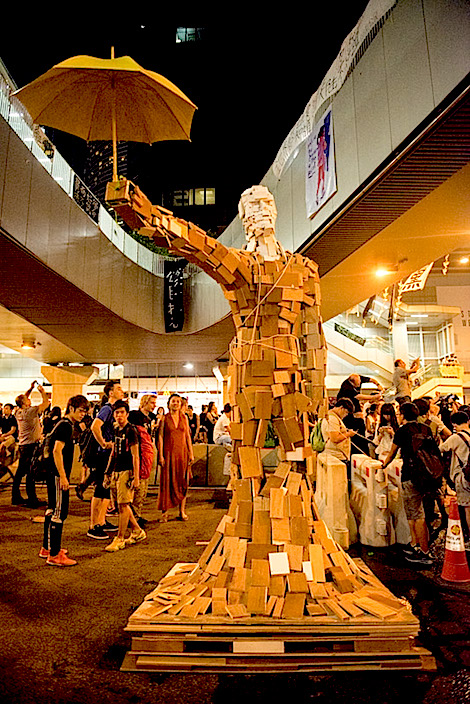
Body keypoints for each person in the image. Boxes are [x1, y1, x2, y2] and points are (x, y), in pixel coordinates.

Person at [381, 402, 437, 567]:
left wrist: (383, 465)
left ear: (403, 415)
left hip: (411, 476)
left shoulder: (402, 431)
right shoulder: (425, 428)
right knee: (416, 514)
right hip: (428, 476)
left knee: (417, 516)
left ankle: (425, 552)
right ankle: (414, 545)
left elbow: (392, 454)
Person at [40, 395, 89, 566]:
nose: (83, 414)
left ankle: (47, 548)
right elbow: (56, 451)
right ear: (72, 408)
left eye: (85, 411)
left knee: (51, 509)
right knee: (59, 513)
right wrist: (63, 476)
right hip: (57, 474)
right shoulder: (66, 427)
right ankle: (54, 554)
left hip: (51, 473)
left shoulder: (61, 424)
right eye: (81, 410)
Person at [104, 400, 146, 552]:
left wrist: (136, 477)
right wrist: (108, 472)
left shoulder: (131, 430)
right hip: (117, 470)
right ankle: (136, 531)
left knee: (123, 505)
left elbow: (136, 455)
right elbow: (114, 452)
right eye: (117, 413)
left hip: (127, 471)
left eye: (122, 412)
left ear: (127, 414)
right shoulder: (117, 430)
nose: (119, 415)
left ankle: (120, 538)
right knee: (123, 504)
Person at [86, 380, 124, 540]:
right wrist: (103, 443)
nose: (122, 391)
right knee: (100, 489)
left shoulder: (112, 409)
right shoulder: (107, 409)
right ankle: (93, 525)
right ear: (111, 393)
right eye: (119, 389)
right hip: (103, 454)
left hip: (108, 454)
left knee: (106, 488)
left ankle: (101, 521)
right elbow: (95, 426)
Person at [158, 394, 194, 522]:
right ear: (169, 403)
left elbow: (188, 436)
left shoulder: (184, 418)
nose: (176, 403)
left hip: (182, 454)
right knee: (167, 483)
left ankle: (182, 511)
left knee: (183, 482)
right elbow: (161, 437)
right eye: (173, 401)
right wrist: (161, 455)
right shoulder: (164, 419)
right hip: (168, 454)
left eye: (178, 401)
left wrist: (191, 452)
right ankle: (165, 513)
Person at [13, 381, 49, 507]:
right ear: (25, 403)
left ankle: (15, 496)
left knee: (20, 472)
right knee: (31, 472)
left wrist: (30, 389)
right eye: (28, 399)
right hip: (31, 446)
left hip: (23, 445)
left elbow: (22, 399)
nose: (30, 400)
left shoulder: (18, 412)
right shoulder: (30, 412)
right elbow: (46, 404)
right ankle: (32, 499)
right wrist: (42, 392)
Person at [439, 411, 470, 545]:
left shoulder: (456, 437)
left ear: (453, 424)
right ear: (468, 421)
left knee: (468, 508)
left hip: (464, 477)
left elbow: (441, 448)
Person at [128, 395, 157, 529]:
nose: (154, 406)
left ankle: (137, 514)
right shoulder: (135, 416)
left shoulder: (149, 418)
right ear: (144, 403)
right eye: (151, 403)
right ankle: (132, 516)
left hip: (146, 455)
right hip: (137, 453)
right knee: (137, 487)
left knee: (143, 487)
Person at [338, 374, 382, 454]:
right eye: (358, 384)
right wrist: (373, 397)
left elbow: (370, 379)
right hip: (349, 413)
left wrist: (378, 384)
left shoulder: (358, 378)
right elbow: (359, 396)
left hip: (356, 413)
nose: (359, 385)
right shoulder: (347, 388)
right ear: (352, 382)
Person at [321, 398, 356, 462]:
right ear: (341, 408)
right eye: (346, 412)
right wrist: (348, 434)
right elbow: (334, 438)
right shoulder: (332, 419)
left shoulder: (333, 417)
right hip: (335, 456)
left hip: (337, 455)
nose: (345, 415)